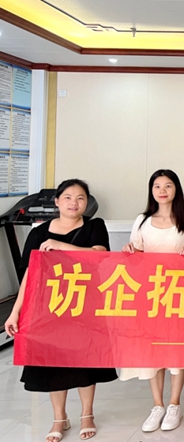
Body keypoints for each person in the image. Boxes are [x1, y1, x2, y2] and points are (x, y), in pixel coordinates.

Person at [3, 179, 116, 442]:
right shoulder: (39, 233)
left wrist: (64, 246)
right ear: (57, 202)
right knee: (53, 362)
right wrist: (15, 311)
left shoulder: (94, 226)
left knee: (85, 361)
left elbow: (99, 255)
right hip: (50, 308)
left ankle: (87, 414)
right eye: (68, 197)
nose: (74, 203)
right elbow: (30, 277)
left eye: (80, 198)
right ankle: (58, 418)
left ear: (87, 203)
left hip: (85, 305)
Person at [119, 169, 184, 432]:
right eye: (157, 186)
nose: (162, 190)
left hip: (180, 294)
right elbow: (136, 254)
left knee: (177, 348)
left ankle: (174, 404)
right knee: (151, 349)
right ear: (151, 190)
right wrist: (129, 251)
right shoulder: (142, 221)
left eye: (168, 185)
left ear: (176, 189)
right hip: (150, 294)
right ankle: (157, 405)